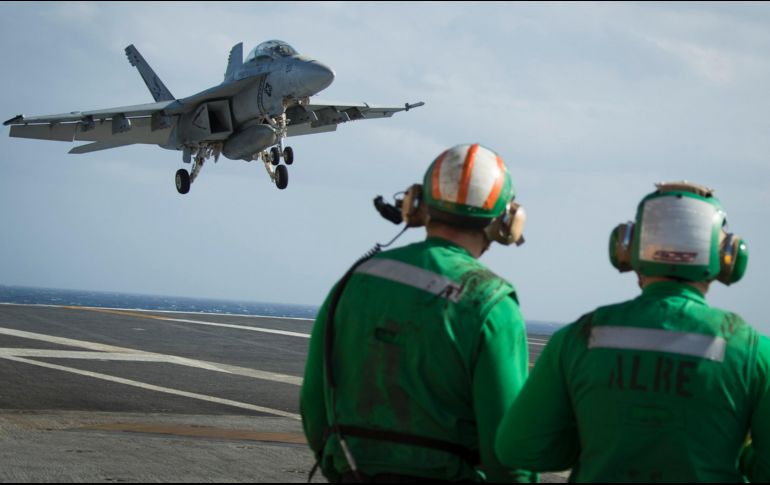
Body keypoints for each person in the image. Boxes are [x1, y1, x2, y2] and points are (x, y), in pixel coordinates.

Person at [495, 181, 770, 482]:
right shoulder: (754, 351)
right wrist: (739, 458)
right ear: (729, 257)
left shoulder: (578, 337)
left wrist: (589, 447)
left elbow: (517, 447)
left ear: (627, 247)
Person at [300, 143, 537, 483]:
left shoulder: (356, 279)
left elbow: (314, 407)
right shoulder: (492, 303)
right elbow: (510, 453)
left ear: (416, 204)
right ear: (507, 221)